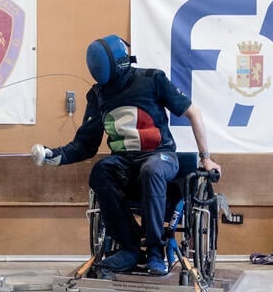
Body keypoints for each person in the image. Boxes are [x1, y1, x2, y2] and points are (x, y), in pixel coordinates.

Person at [30, 35, 219, 276]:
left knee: (152, 168)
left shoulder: (152, 80)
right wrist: (52, 155)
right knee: (101, 170)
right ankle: (130, 248)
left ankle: (154, 251)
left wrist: (206, 157)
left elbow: (194, 113)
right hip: (125, 163)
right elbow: (85, 144)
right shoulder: (98, 94)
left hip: (161, 157)